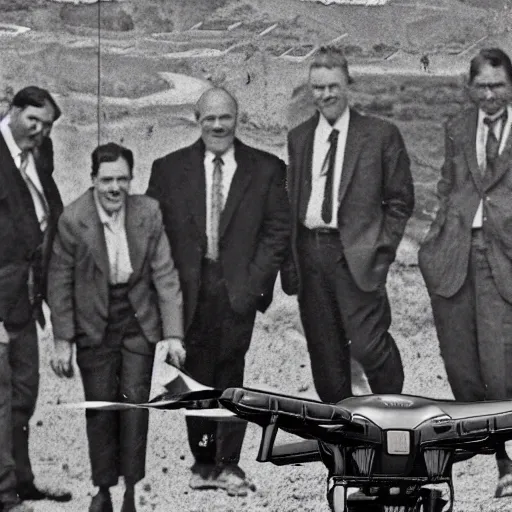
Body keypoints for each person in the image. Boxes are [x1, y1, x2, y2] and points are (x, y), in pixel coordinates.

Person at [146, 87, 290, 497]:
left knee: (229, 373)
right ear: (197, 118)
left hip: (237, 292)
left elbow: (278, 232)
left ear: (237, 118)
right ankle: (203, 463)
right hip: (189, 290)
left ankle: (229, 465)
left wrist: (252, 284)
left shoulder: (266, 169)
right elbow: (155, 235)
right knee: (195, 376)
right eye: (209, 117)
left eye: (225, 116)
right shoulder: (169, 169)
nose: (218, 125)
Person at [48, 142, 185, 512]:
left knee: (134, 405)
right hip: (94, 324)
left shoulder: (148, 212)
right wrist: (63, 340)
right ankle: (103, 488)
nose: (114, 188)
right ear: (93, 180)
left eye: (122, 179)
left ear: (131, 180)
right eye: (106, 179)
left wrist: (173, 334)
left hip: (137, 321)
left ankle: (130, 490)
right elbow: (59, 282)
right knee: (100, 406)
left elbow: (165, 272)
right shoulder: (73, 220)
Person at [281, 46, 414, 404]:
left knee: (369, 345)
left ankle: (395, 413)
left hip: (356, 254)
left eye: (332, 86)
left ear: (347, 84)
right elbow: (293, 200)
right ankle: (342, 439)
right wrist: (290, 259)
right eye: (318, 88)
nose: (325, 95)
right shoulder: (299, 137)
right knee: (325, 357)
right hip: (310, 253)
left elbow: (400, 201)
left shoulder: (380, 135)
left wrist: (381, 251)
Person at [418, 47, 512, 498]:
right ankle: (494, 450)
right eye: (482, 86)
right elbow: (447, 183)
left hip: (505, 258)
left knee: (499, 362)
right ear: (469, 87)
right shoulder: (457, 127)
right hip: (457, 255)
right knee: (462, 361)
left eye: (498, 85)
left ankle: (507, 462)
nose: (490, 95)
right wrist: (435, 239)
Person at [0, 86, 71, 512]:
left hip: (24, 300)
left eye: (46, 126)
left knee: (24, 392)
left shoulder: (38, 155)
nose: (40, 131)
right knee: (0, 396)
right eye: (33, 121)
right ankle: (3, 494)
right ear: (12, 111)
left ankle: (21, 481)